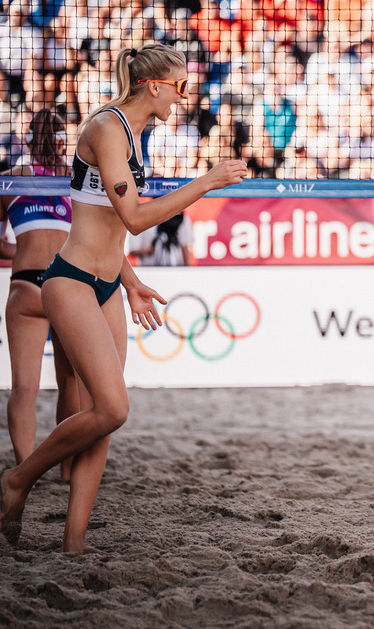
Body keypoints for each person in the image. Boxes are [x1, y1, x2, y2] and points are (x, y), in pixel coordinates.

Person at [0, 44, 247, 553]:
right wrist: (207, 182)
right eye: (180, 86)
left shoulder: (137, 134)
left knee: (102, 417)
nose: (185, 97)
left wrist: (130, 281)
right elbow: (135, 217)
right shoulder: (107, 128)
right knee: (112, 408)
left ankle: (73, 542)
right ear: (153, 85)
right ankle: (17, 479)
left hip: (109, 284)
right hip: (67, 280)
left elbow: (110, 224)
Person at [0, 108, 79, 480]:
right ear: (64, 140)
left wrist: (22, 252)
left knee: (23, 388)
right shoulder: (75, 180)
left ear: (28, 139)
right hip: (65, 283)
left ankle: (25, 469)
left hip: (25, 282)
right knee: (70, 382)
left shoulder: (12, 179)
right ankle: (66, 470)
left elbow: (1, 244)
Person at [127, 211, 194, 266]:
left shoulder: (180, 218)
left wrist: (187, 269)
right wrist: (147, 251)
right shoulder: (141, 217)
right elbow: (132, 251)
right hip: (149, 269)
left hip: (176, 268)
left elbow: (185, 247)